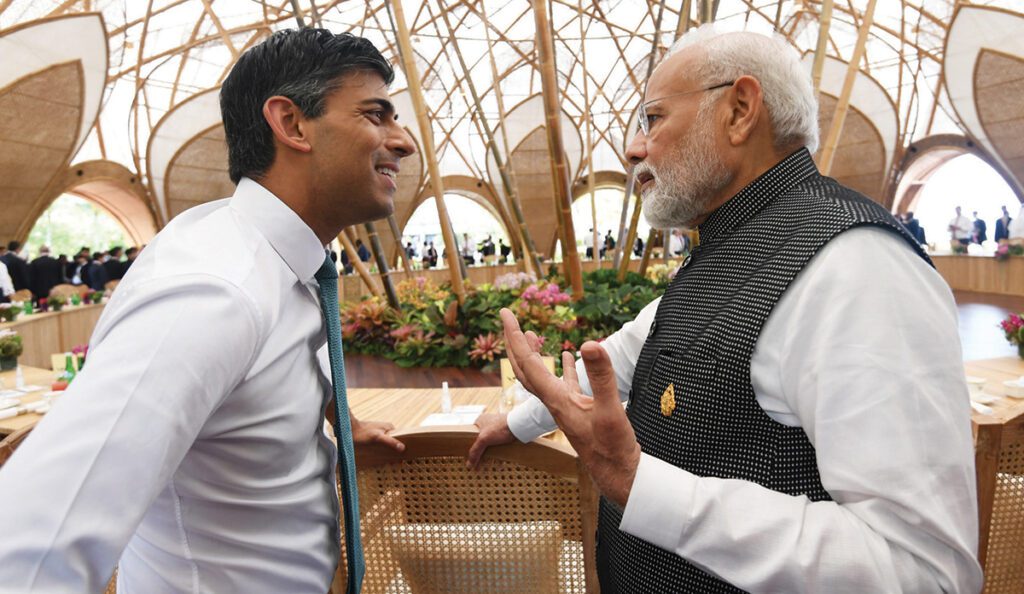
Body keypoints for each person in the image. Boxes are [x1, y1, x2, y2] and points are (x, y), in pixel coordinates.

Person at [469, 26, 981, 593]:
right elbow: (631, 353)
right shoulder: (734, 244)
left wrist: (639, 483)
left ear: (739, 110)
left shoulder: (858, 267)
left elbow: (924, 572)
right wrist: (519, 418)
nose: (635, 149)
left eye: (653, 119)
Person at [0, 28, 413, 592]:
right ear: (291, 124)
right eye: (376, 114)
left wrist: (333, 424)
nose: (404, 140)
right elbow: (32, 550)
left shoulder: (279, 267)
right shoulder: (212, 292)